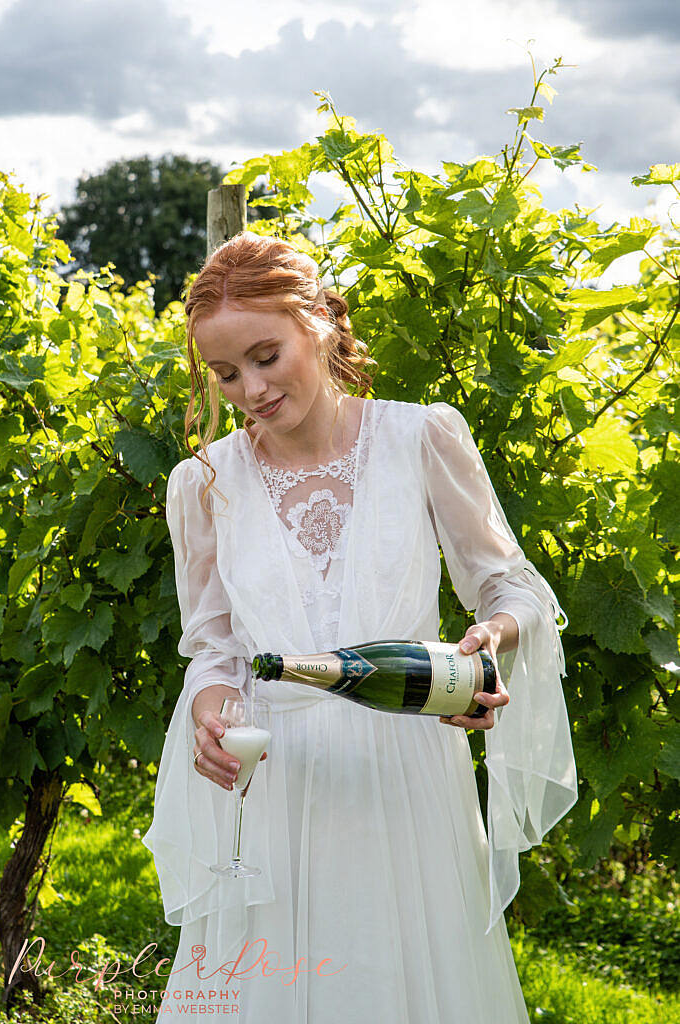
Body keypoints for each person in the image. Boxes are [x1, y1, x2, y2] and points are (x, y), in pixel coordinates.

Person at [143, 231, 577, 1023]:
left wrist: (486, 643)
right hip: (276, 781)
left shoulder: (421, 437)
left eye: (266, 356)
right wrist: (211, 716)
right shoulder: (202, 484)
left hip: (407, 778)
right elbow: (213, 648)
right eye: (226, 372)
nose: (250, 389)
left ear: (324, 322)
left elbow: (510, 586)